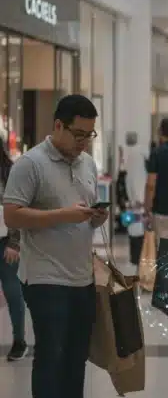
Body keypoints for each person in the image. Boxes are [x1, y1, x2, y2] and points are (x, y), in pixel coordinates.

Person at [3, 94, 109, 398]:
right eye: (79, 134)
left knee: (76, 359)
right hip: (45, 277)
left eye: (89, 135)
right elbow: (12, 215)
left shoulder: (87, 164)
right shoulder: (30, 164)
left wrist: (96, 218)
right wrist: (64, 215)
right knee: (51, 357)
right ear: (58, 125)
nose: (84, 142)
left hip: (82, 278)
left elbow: (82, 216)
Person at [0, 136, 25, 362]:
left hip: (5, 240)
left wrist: (14, 242)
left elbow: (17, 207)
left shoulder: (10, 172)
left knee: (12, 289)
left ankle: (19, 340)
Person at [123, 131, 147, 266]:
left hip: (136, 203)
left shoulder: (134, 154)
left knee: (136, 232)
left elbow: (134, 179)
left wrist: (137, 200)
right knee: (136, 231)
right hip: (137, 203)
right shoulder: (138, 153)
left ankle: (137, 261)